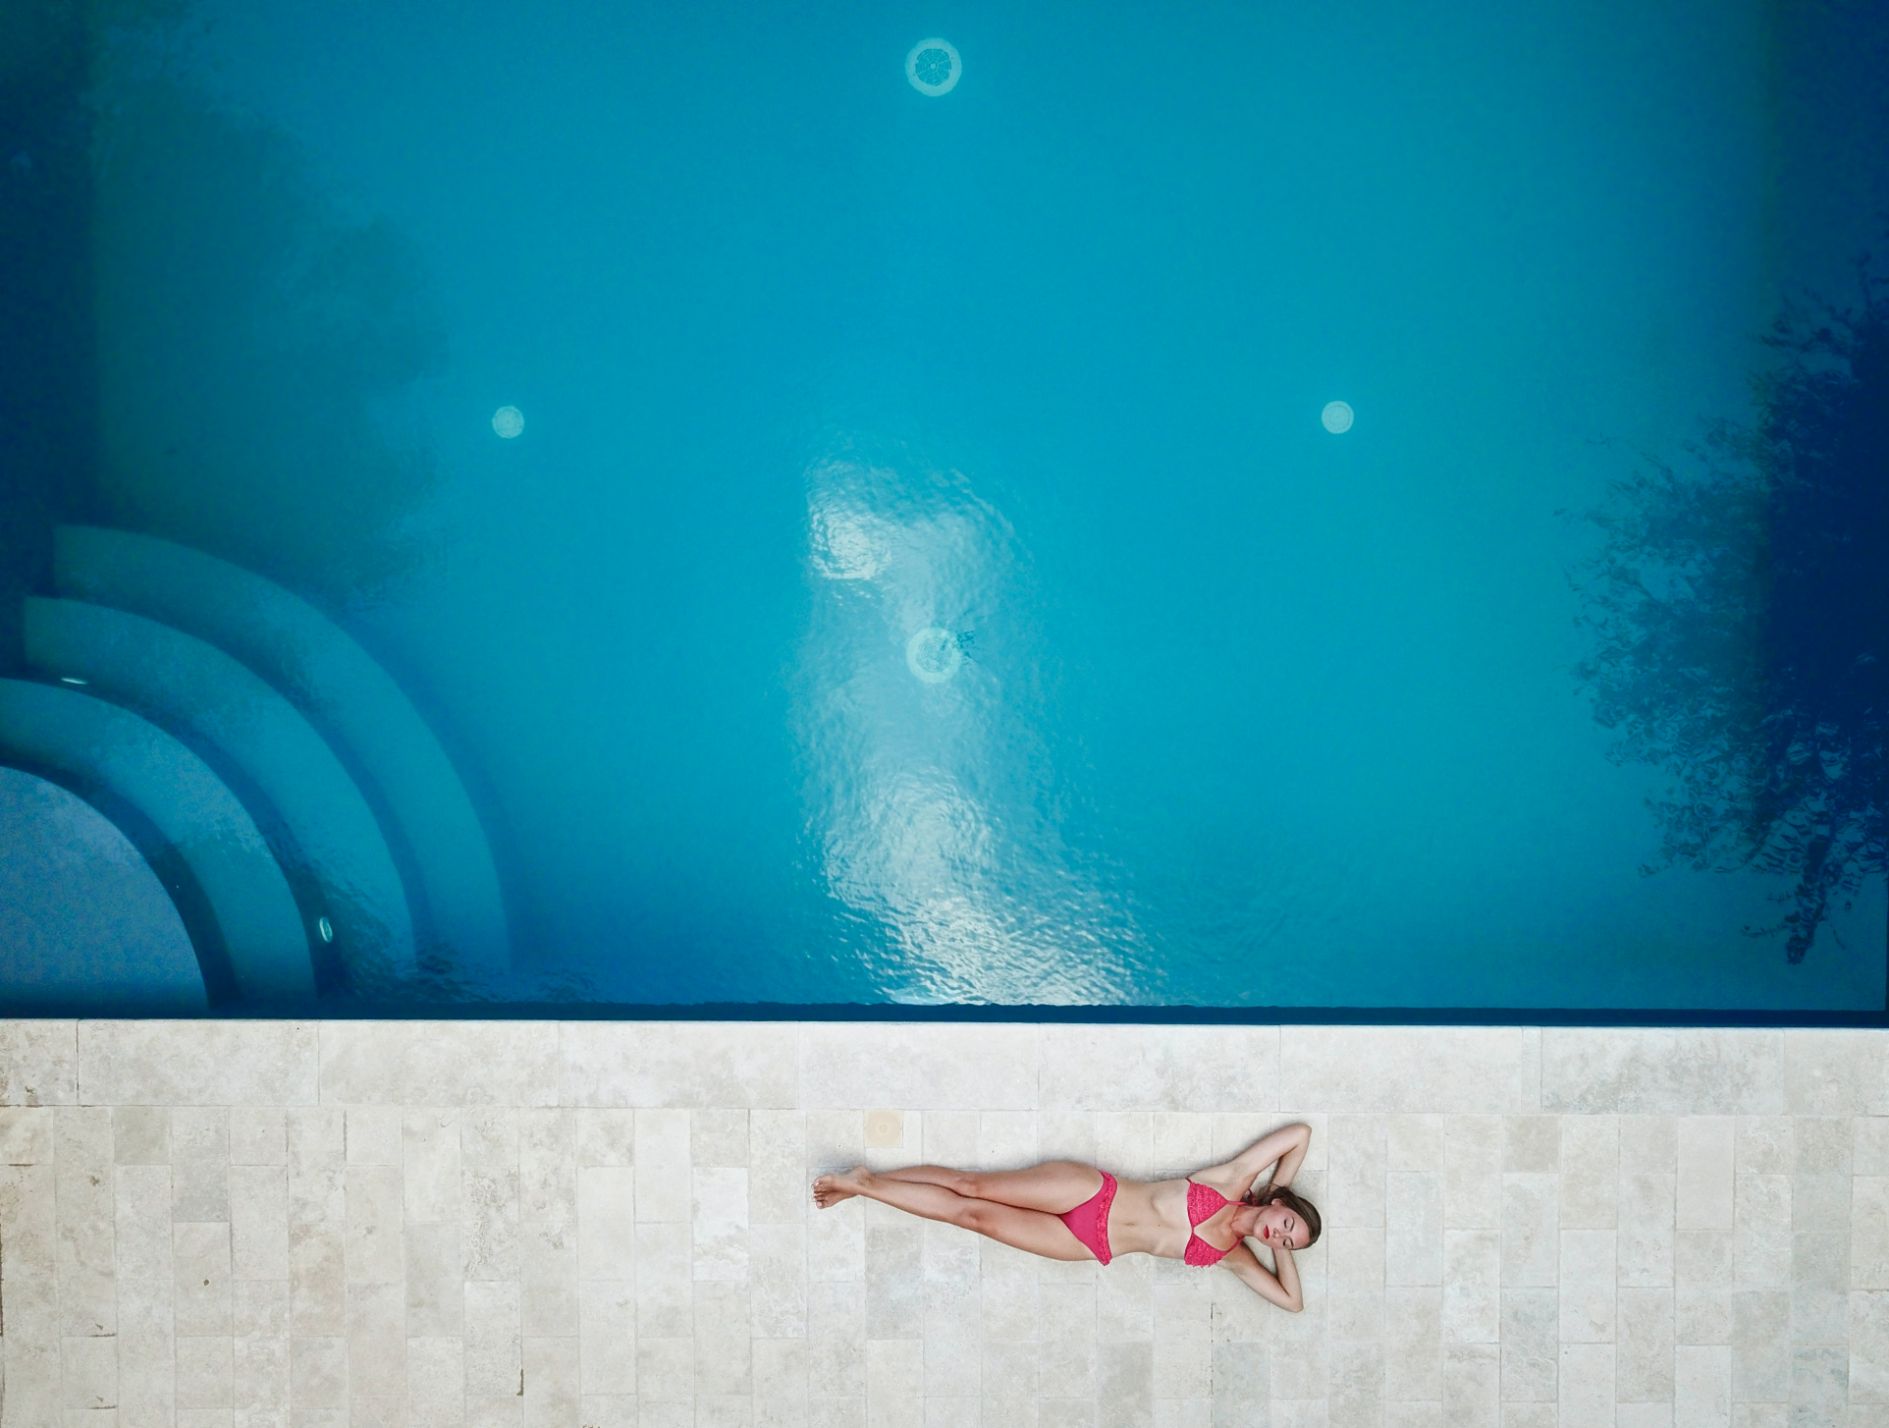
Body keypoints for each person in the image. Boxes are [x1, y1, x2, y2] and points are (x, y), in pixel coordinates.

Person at [811, 1120, 1318, 1310]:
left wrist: (1283, 1251)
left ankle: (866, 1187)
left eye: (1287, 1243)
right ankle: (869, 1178)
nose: (1280, 1237)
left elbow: (1291, 1301)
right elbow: (1299, 1134)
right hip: (1094, 1193)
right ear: (1280, 1207)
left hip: (1086, 1245)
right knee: (974, 1185)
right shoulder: (1234, 1180)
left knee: (973, 1217)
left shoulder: (1236, 1257)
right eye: (1289, 1225)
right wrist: (1278, 1187)